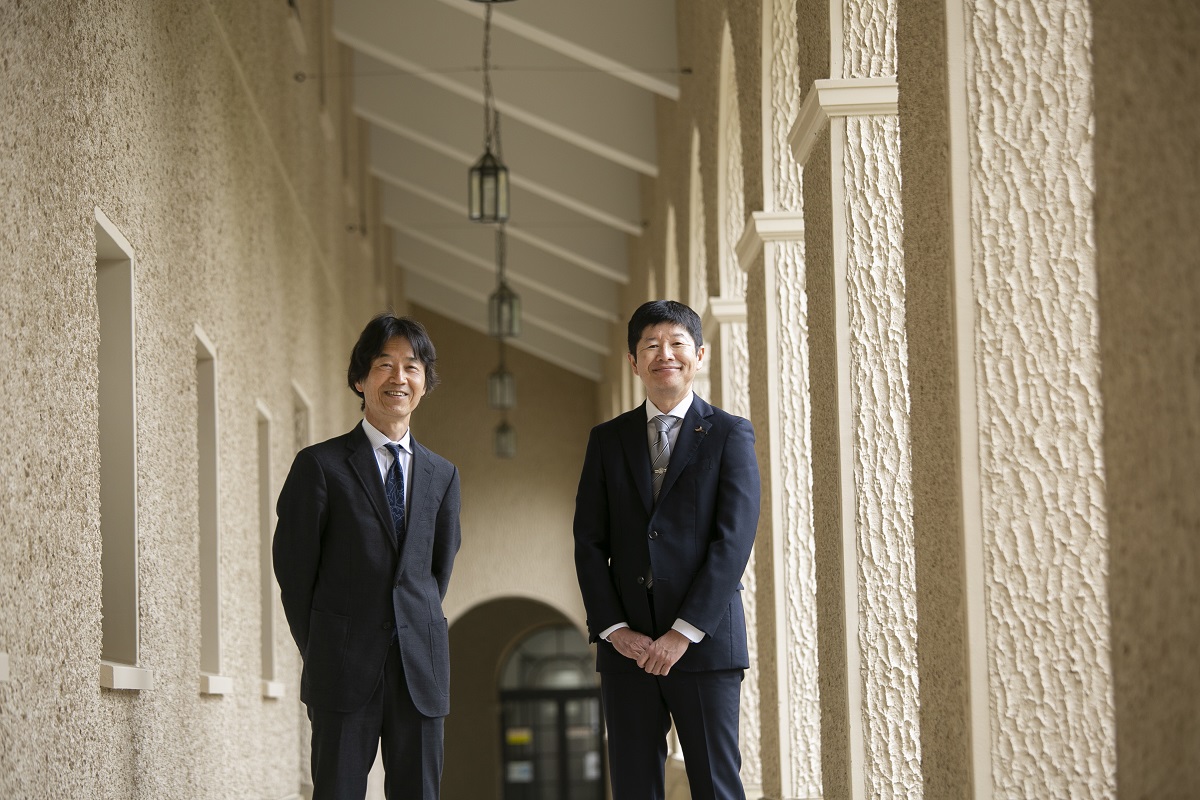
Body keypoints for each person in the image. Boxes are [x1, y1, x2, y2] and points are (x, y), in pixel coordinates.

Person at [573, 300, 761, 800]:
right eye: (651, 345)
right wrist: (614, 630)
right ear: (633, 362)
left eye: (677, 344)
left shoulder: (729, 434)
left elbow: (733, 542)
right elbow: (589, 542)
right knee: (634, 787)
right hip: (627, 651)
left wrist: (682, 633)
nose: (665, 355)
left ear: (699, 355)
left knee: (717, 787)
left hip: (704, 646)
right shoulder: (607, 440)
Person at [273, 313, 462, 800]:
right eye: (385, 365)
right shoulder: (320, 466)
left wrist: (407, 625)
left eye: (412, 367)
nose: (399, 378)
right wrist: (322, 647)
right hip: (341, 668)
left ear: (424, 383)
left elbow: (435, 572)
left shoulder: (443, 475)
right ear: (360, 379)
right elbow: (294, 575)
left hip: (420, 670)